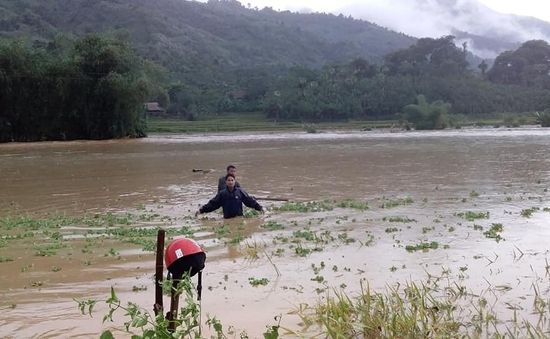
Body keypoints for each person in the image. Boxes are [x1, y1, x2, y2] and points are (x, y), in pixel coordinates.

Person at [198, 174, 263, 219]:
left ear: (234, 181)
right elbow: (213, 204)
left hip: (239, 218)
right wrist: (202, 210)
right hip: (227, 219)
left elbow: (249, 201)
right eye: (228, 180)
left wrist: (259, 207)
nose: (230, 182)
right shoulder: (222, 194)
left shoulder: (240, 192)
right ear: (226, 182)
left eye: (232, 180)